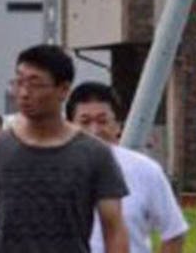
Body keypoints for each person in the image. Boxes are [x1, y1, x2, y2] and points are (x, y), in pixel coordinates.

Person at [0, 45, 129, 252]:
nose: (24, 93)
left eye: (35, 84)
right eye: (19, 82)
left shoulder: (94, 154)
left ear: (63, 90)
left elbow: (114, 228)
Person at [68, 82, 188, 253]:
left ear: (117, 126)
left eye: (102, 121)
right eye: (85, 122)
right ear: (69, 126)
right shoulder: (53, 171)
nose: (94, 131)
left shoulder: (145, 170)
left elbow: (174, 233)